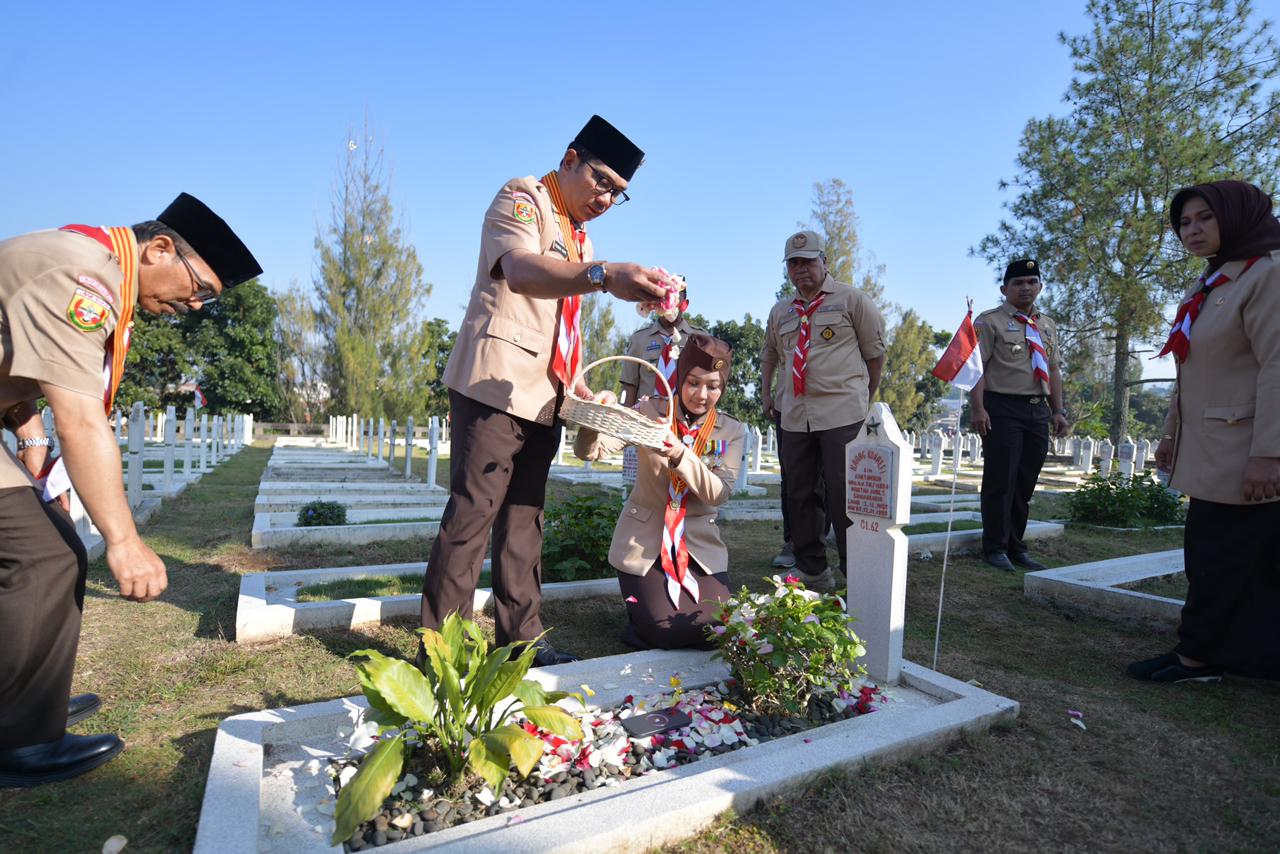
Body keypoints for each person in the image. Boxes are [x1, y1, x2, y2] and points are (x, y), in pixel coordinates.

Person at [0, 193, 261, 787]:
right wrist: (123, 540)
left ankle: (23, 704)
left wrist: (26, 435)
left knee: (50, 549)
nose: (192, 306)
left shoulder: (88, 262)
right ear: (160, 248)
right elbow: (82, 417)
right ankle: (17, 737)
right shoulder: (83, 276)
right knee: (43, 556)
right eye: (199, 290)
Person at [423, 115, 669, 667]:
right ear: (570, 157)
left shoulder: (580, 233)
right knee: (471, 516)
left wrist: (579, 388)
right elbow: (521, 272)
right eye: (602, 180)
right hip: (494, 384)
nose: (606, 198)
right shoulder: (524, 198)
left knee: (524, 521)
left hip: (544, 395)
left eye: (619, 194)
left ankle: (520, 641)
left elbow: (561, 329)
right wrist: (602, 274)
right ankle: (443, 653)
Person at [1129, 180, 1280, 684]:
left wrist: (1270, 455)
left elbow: (1277, 368)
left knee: (1223, 558)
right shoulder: (1212, 282)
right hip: (1213, 446)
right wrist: (1172, 431)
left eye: (1204, 219)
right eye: (1184, 222)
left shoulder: (1268, 275)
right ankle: (1219, 652)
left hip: (1246, 451)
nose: (1190, 230)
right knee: (1215, 554)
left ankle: (1198, 658)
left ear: (1235, 216)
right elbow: (1191, 368)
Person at [575, 335, 746, 648]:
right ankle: (642, 620)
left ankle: (650, 614)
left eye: (714, 386)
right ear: (680, 378)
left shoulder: (731, 430)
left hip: (698, 545)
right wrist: (591, 420)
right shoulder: (651, 413)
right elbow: (592, 452)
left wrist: (680, 454)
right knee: (667, 631)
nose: (702, 394)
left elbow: (719, 493)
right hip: (645, 543)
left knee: (722, 628)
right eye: (694, 382)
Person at [761, 230, 886, 592]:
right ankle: (813, 569)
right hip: (794, 413)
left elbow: (874, 354)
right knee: (799, 493)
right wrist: (768, 394)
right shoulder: (781, 311)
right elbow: (771, 353)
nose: (801, 270)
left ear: (825, 262)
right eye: (793, 264)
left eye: (808, 262)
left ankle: (857, 575)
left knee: (845, 494)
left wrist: (862, 395)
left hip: (841, 413)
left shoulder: (852, 300)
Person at [970, 259, 1069, 572]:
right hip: (1002, 407)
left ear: (1040, 286)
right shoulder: (989, 322)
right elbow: (975, 369)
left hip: (1036, 409)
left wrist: (1058, 410)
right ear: (1004, 289)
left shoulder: (1048, 325)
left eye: (1031, 281)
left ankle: (1016, 545)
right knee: (1001, 480)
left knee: (1025, 482)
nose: (1026, 288)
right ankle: (994, 547)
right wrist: (978, 408)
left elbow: (1053, 369)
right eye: (1018, 283)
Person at [618, 279, 707, 405]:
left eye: (674, 300)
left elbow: (707, 386)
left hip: (682, 419)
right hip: (645, 418)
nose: (668, 305)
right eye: (663, 299)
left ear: (684, 305)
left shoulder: (700, 339)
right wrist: (624, 417)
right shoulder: (640, 339)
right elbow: (629, 385)